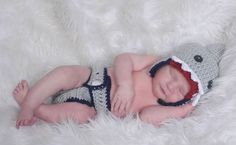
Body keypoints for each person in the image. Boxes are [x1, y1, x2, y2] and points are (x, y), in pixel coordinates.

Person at [13, 43, 224, 129]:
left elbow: (146, 118)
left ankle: (40, 110)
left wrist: (182, 110)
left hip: (94, 108)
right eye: (172, 75)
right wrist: (125, 85)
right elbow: (123, 59)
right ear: (167, 62)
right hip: (92, 77)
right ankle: (30, 103)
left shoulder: (163, 106)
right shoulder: (151, 63)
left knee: (81, 116)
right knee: (66, 72)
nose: (172, 87)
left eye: (181, 92)